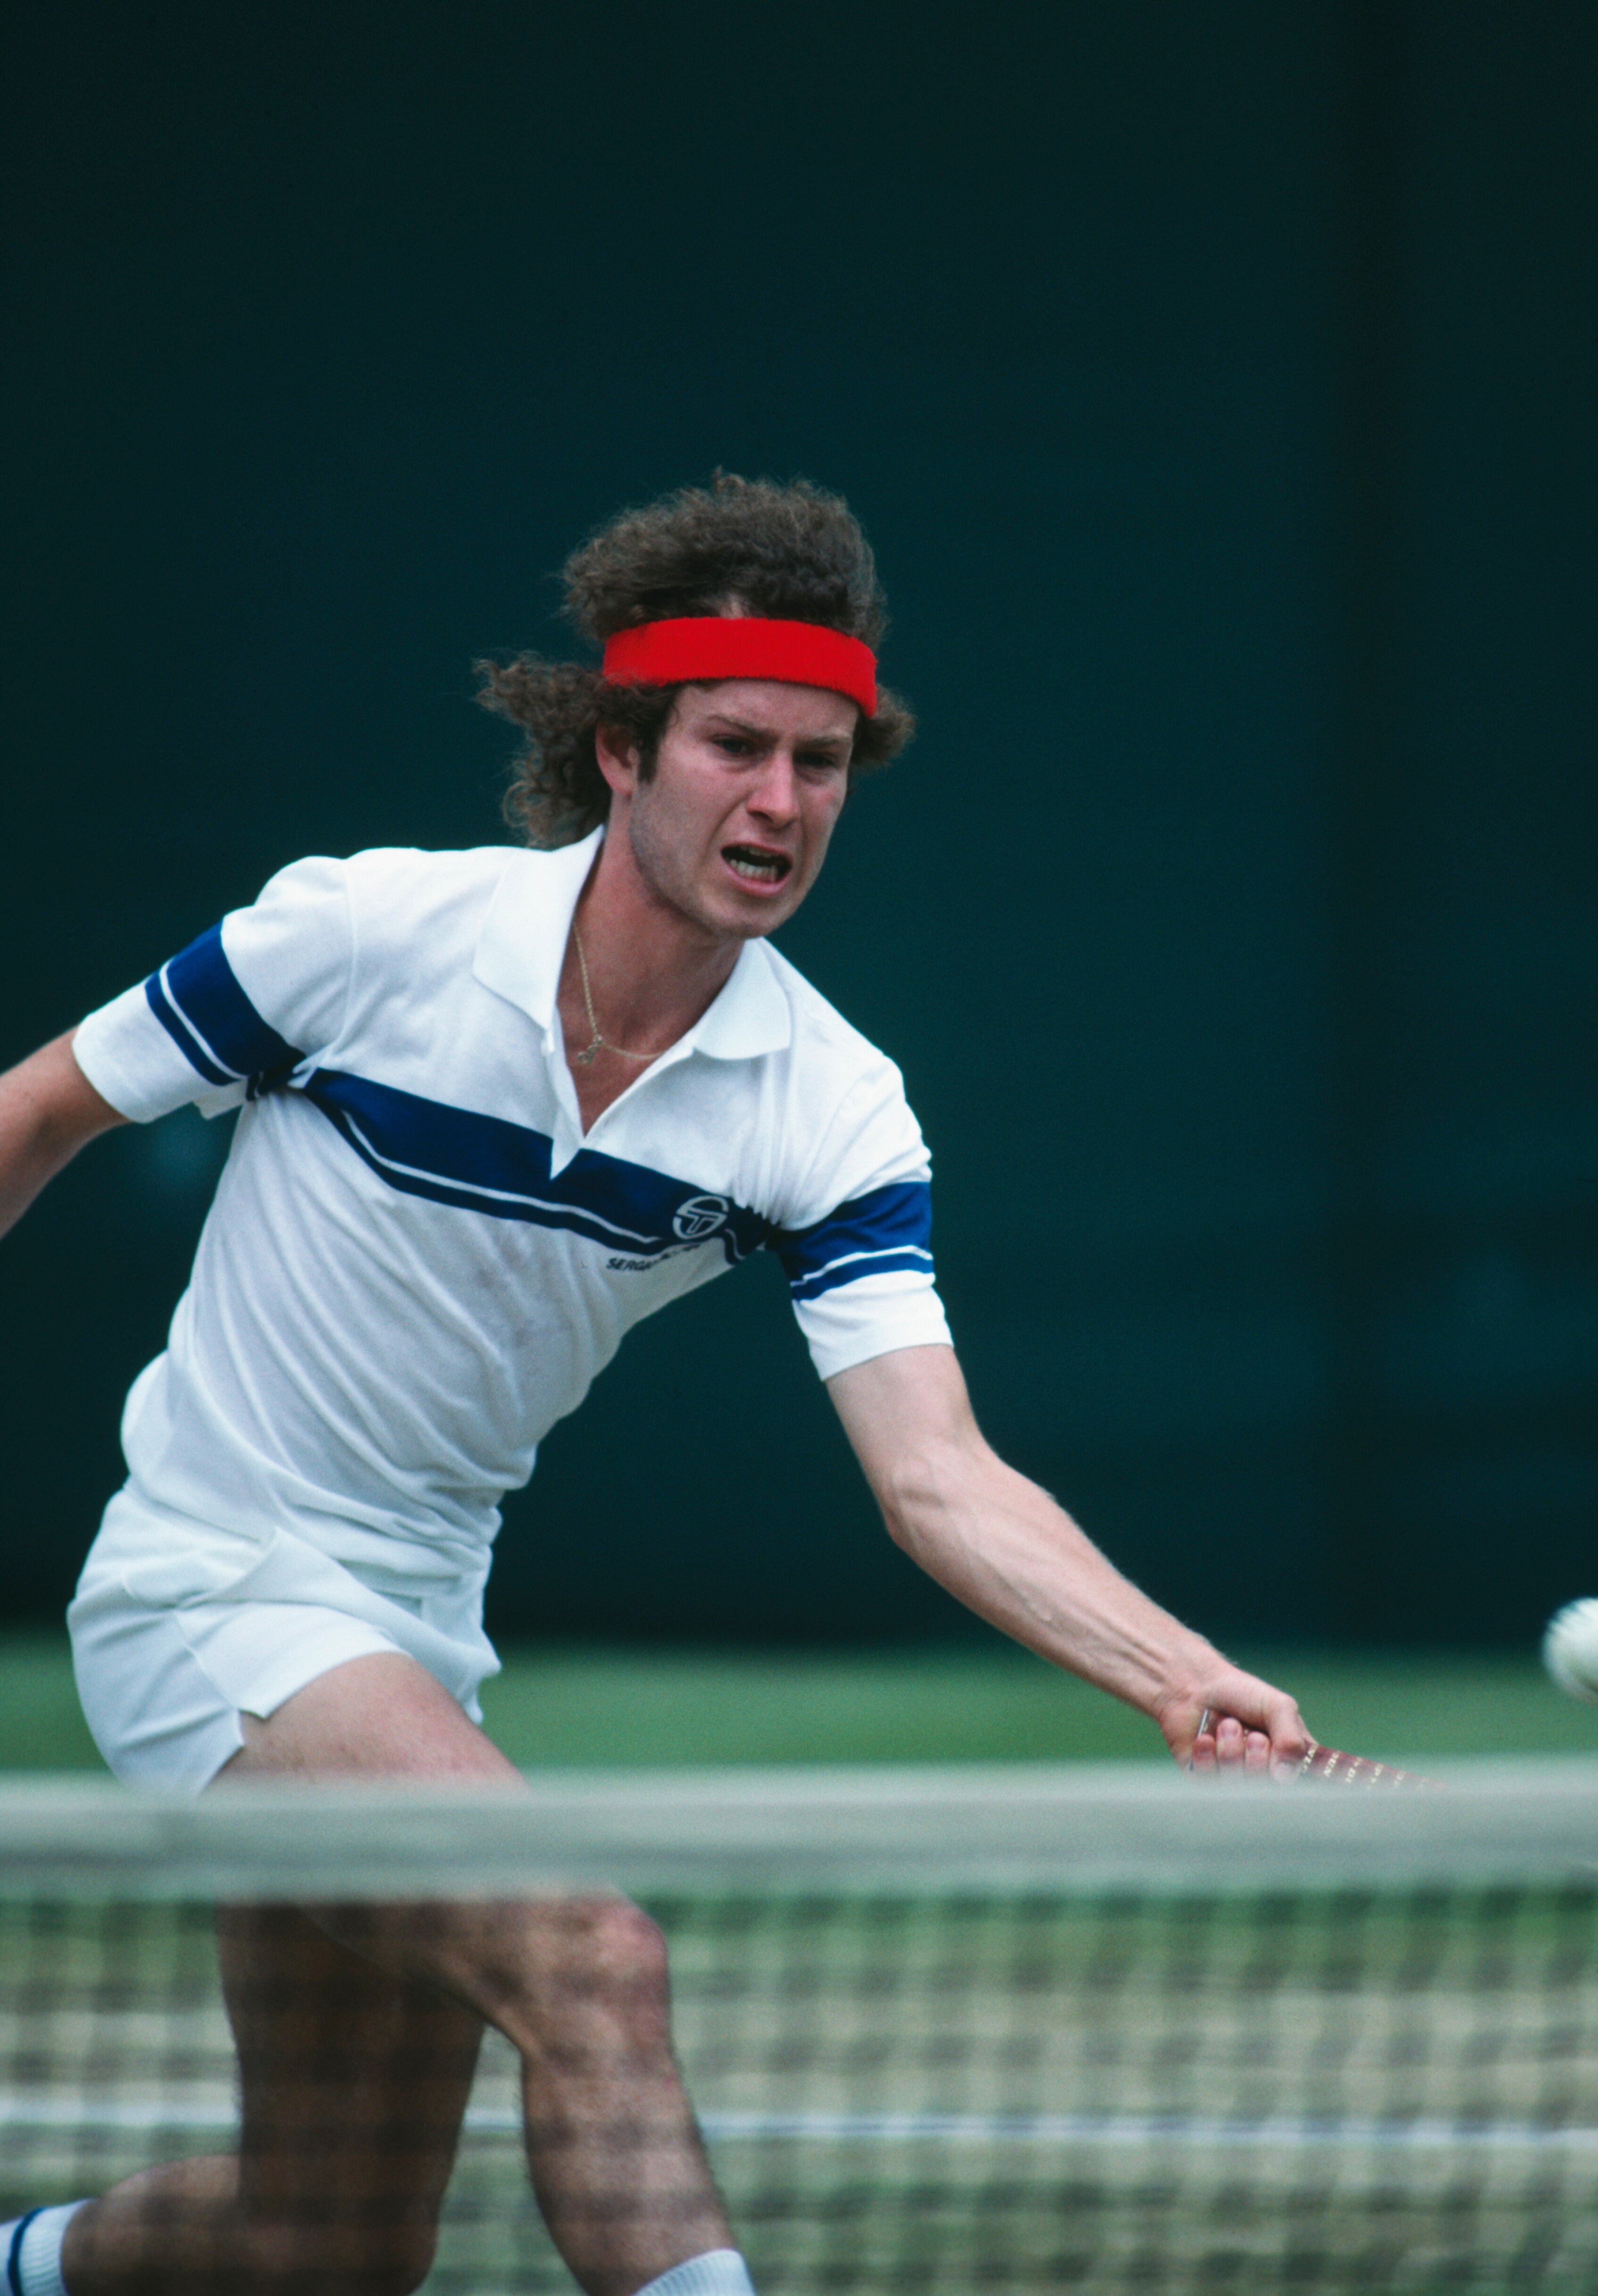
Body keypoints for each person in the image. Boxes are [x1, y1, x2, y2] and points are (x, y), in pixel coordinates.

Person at [0, 474, 1310, 2296]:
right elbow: (39, 1109)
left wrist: (1179, 1680)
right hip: (208, 1580)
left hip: (410, 1634)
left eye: (824, 761)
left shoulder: (831, 1108)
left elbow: (937, 1475)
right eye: (734, 746)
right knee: (592, 1956)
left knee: (322, 2241)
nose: (780, 803)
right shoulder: (364, 937)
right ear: (619, 748)